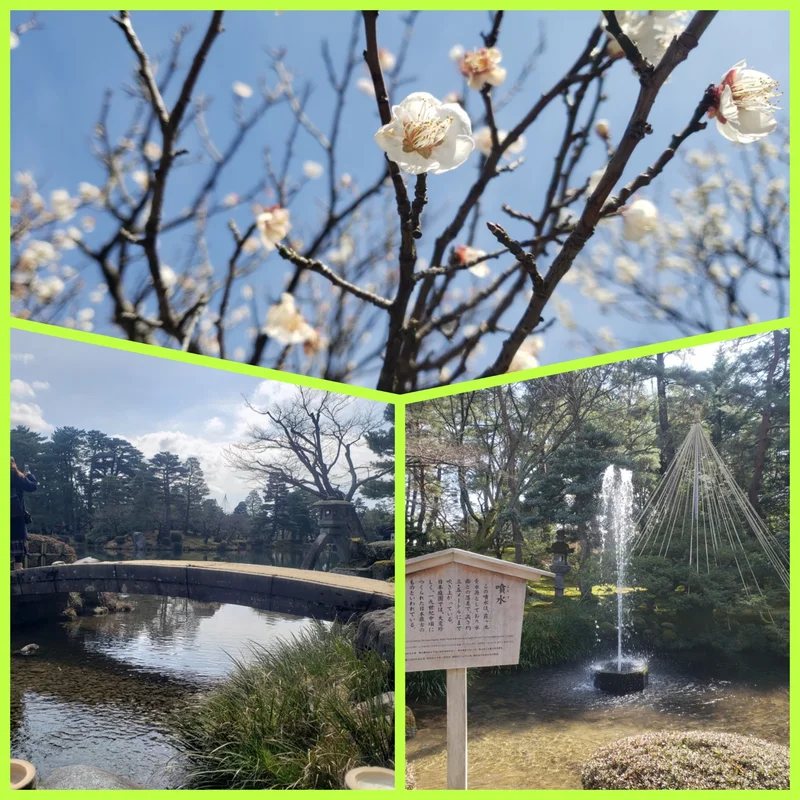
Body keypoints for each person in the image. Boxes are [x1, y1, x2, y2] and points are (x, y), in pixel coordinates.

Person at [11, 457, 37, 570]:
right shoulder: (16, 475)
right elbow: (32, 487)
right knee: (17, 548)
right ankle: (17, 574)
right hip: (15, 516)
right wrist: (30, 476)